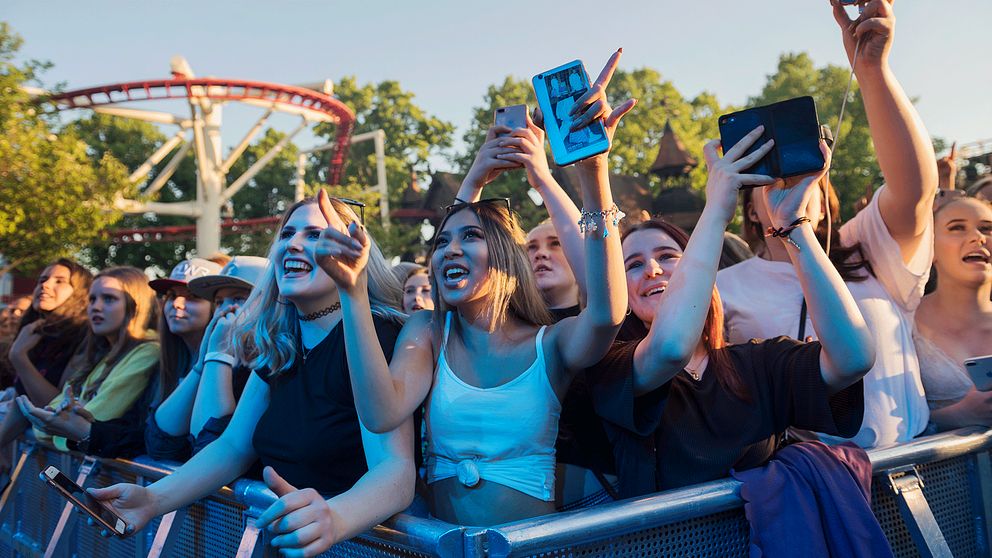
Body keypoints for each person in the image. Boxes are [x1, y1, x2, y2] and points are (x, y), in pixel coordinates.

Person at [328, 51, 630, 526]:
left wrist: (592, 172)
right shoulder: (427, 332)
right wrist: (352, 292)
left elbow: (608, 312)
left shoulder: (550, 343)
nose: (449, 249)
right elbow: (382, 412)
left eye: (470, 238)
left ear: (509, 258)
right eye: (442, 242)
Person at [90, 196, 415, 556]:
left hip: (356, 547)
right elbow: (233, 447)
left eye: (314, 234)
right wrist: (152, 499)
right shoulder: (280, 344)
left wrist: (335, 517)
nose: (292, 243)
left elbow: (395, 472)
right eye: (287, 233)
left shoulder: (379, 335)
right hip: (283, 544)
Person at [591, 128, 874, 497]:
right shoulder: (611, 368)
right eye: (632, 264)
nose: (653, 270)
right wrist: (716, 209)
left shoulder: (757, 363)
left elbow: (853, 357)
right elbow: (671, 347)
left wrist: (793, 226)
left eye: (667, 256)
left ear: (704, 272)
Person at [716, 0, 938, 448]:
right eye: (774, 179)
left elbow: (915, 189)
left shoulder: (868, 249)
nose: (790, 188)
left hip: (919, 472)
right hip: (809, 488)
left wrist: (872, 68)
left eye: (805, 180)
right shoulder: (723, 288)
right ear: (753, 213)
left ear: (824, 198)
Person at [17, 267, 159, 453]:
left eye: (109, 298)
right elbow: (44, 426)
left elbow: (92, 419)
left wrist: (64, 428)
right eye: (92, 299)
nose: (96, 307)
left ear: (136, 305)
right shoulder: (104, 354)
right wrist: (63, 427)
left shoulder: (148, 350)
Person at [914, 196, 992, 429]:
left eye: (987, 228)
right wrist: (956, 416)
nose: (978, 237)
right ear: (930, 248)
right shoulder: (903, 323)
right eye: (957, 227)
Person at [143, 258, 223, 461]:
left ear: (218, 306)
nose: (176, 304)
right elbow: (155, 444)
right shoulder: (166, 361)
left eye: (193, 297)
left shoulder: (231, 367)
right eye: (172, 296)